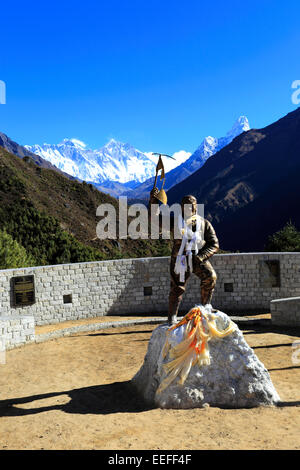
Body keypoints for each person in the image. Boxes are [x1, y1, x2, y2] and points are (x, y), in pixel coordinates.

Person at [149, 188, 219, 325]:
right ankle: (172, 317)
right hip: (179, 259)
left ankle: (206, 309)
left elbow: (214, 243)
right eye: (185, 206)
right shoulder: (175, 222)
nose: (189, 209)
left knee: (210, 277)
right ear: (181, 208)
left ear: (195, 207)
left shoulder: (204, 223)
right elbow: (155, 219)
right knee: (177, 287)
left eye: (191, 206)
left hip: (197, 257)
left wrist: (202, 256)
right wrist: (153, 201)